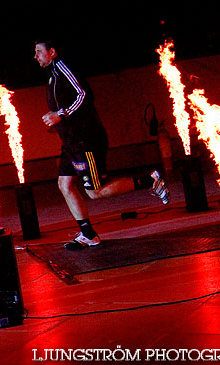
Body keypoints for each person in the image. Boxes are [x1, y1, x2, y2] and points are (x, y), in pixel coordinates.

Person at [33, 39, 170, 250]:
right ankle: (89, 235)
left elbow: (84, 95)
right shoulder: (52, 75)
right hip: (71, 141)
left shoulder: (63, 68)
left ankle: (150, 181)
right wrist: (57, 122)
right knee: (64, 184)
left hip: (86, 140)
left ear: (52, 52)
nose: (36, 56)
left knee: (94, 191)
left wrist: (60, 114)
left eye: (39, 52)